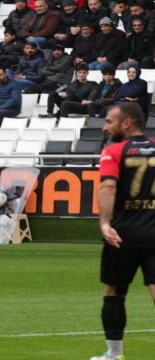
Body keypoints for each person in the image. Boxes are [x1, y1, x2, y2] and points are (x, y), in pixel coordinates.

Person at [91, 102, 155, 360]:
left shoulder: (114, 150)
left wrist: (105, 223)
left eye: (109, 121)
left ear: (126, 123)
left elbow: (108, 187)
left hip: (123, 234)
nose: (105, 127)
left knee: (115, 291)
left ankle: (113, 354)